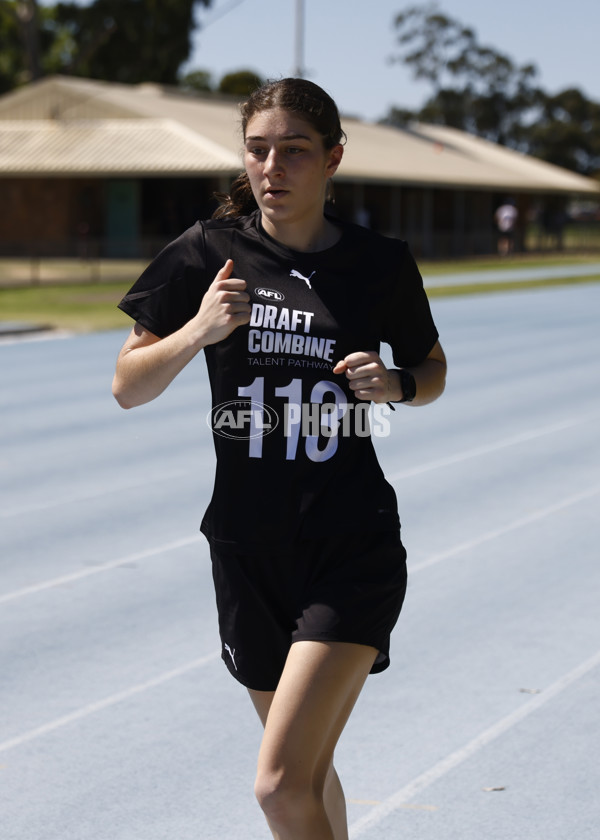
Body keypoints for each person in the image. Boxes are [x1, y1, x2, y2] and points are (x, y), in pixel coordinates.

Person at [112, 78, 446, 840]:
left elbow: (432, 369)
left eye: (294, 151)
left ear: (332, 159)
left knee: (276, 784)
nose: (273, 167)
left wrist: (397, 384)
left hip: (349, 547)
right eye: (258, 150)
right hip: (246, 549)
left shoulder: (378, 263)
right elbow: (128, 386)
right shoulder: (207, 254)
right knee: (308, 774)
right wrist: (196, 330)